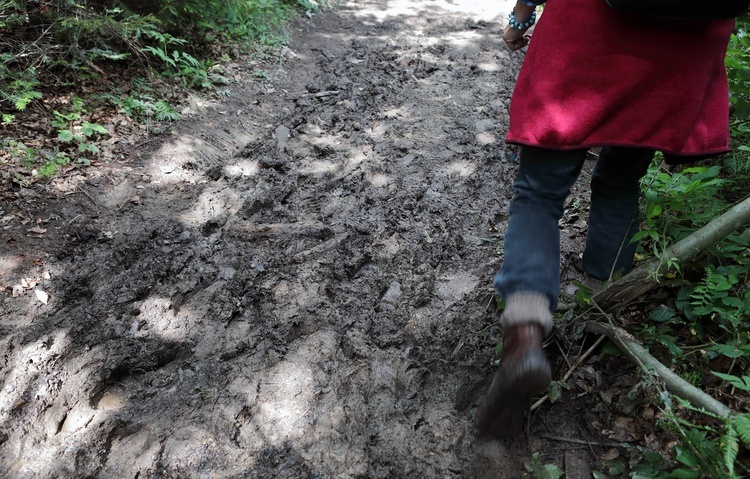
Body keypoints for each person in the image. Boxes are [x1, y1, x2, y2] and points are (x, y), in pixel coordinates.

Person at [476, 0, 736, 437]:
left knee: (538, 194)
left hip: (585, 35)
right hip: (679, 51)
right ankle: (604, 295)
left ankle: (523, 335)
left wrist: (520, 18)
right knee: (620, 181)